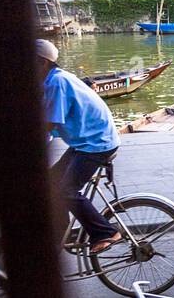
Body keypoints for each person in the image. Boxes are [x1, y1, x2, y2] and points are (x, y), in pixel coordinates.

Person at [37, 39, 122, 254]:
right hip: (84, 141)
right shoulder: (50, 81)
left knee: (67, 189)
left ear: (42, 63)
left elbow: (50, 123)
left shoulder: (57, 83)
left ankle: (106, 232)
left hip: (97, 143)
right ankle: (62, 233)